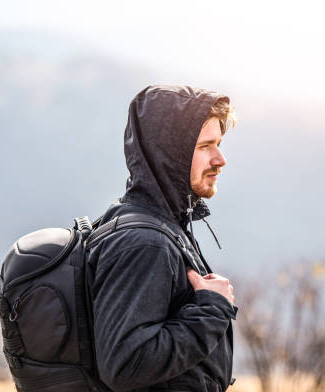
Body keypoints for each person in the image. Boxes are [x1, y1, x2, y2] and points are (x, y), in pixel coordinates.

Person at [86, 85, 238, 392]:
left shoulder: (159, 226)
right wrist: (212, 309)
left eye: (219, 144)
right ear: (171, 155)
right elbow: (126, 365)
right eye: (205, 146)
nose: (220, 159)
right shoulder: (144, 243)